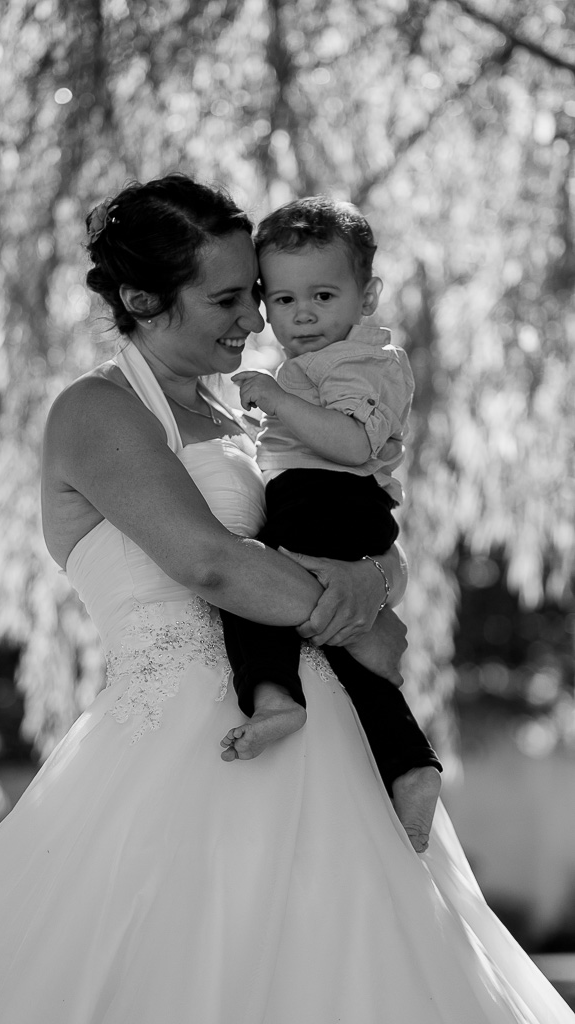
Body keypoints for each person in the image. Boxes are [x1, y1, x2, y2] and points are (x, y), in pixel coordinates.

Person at [0, 173, 572, 1024]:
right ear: (141, 298)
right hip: (185, 738)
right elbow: (209, 562)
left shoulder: (250, 411)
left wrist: (374, 580)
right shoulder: (96, 410)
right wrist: (356, 618)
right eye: (226, 300)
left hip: (329, 740)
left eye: (254, 295)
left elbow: (347, 525)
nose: (256, 321)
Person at [218, 196, 441, 853]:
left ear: (366, 296)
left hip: (330, 498)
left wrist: (279, 401)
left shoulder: (360, 361)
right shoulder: (321, 361)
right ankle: (408, 764)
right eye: (283, 300)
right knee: (344, 652)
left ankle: (274, 695)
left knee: (249, 583)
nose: (303, 314)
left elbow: (349, 444)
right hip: (325, 502)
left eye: (322, 294)